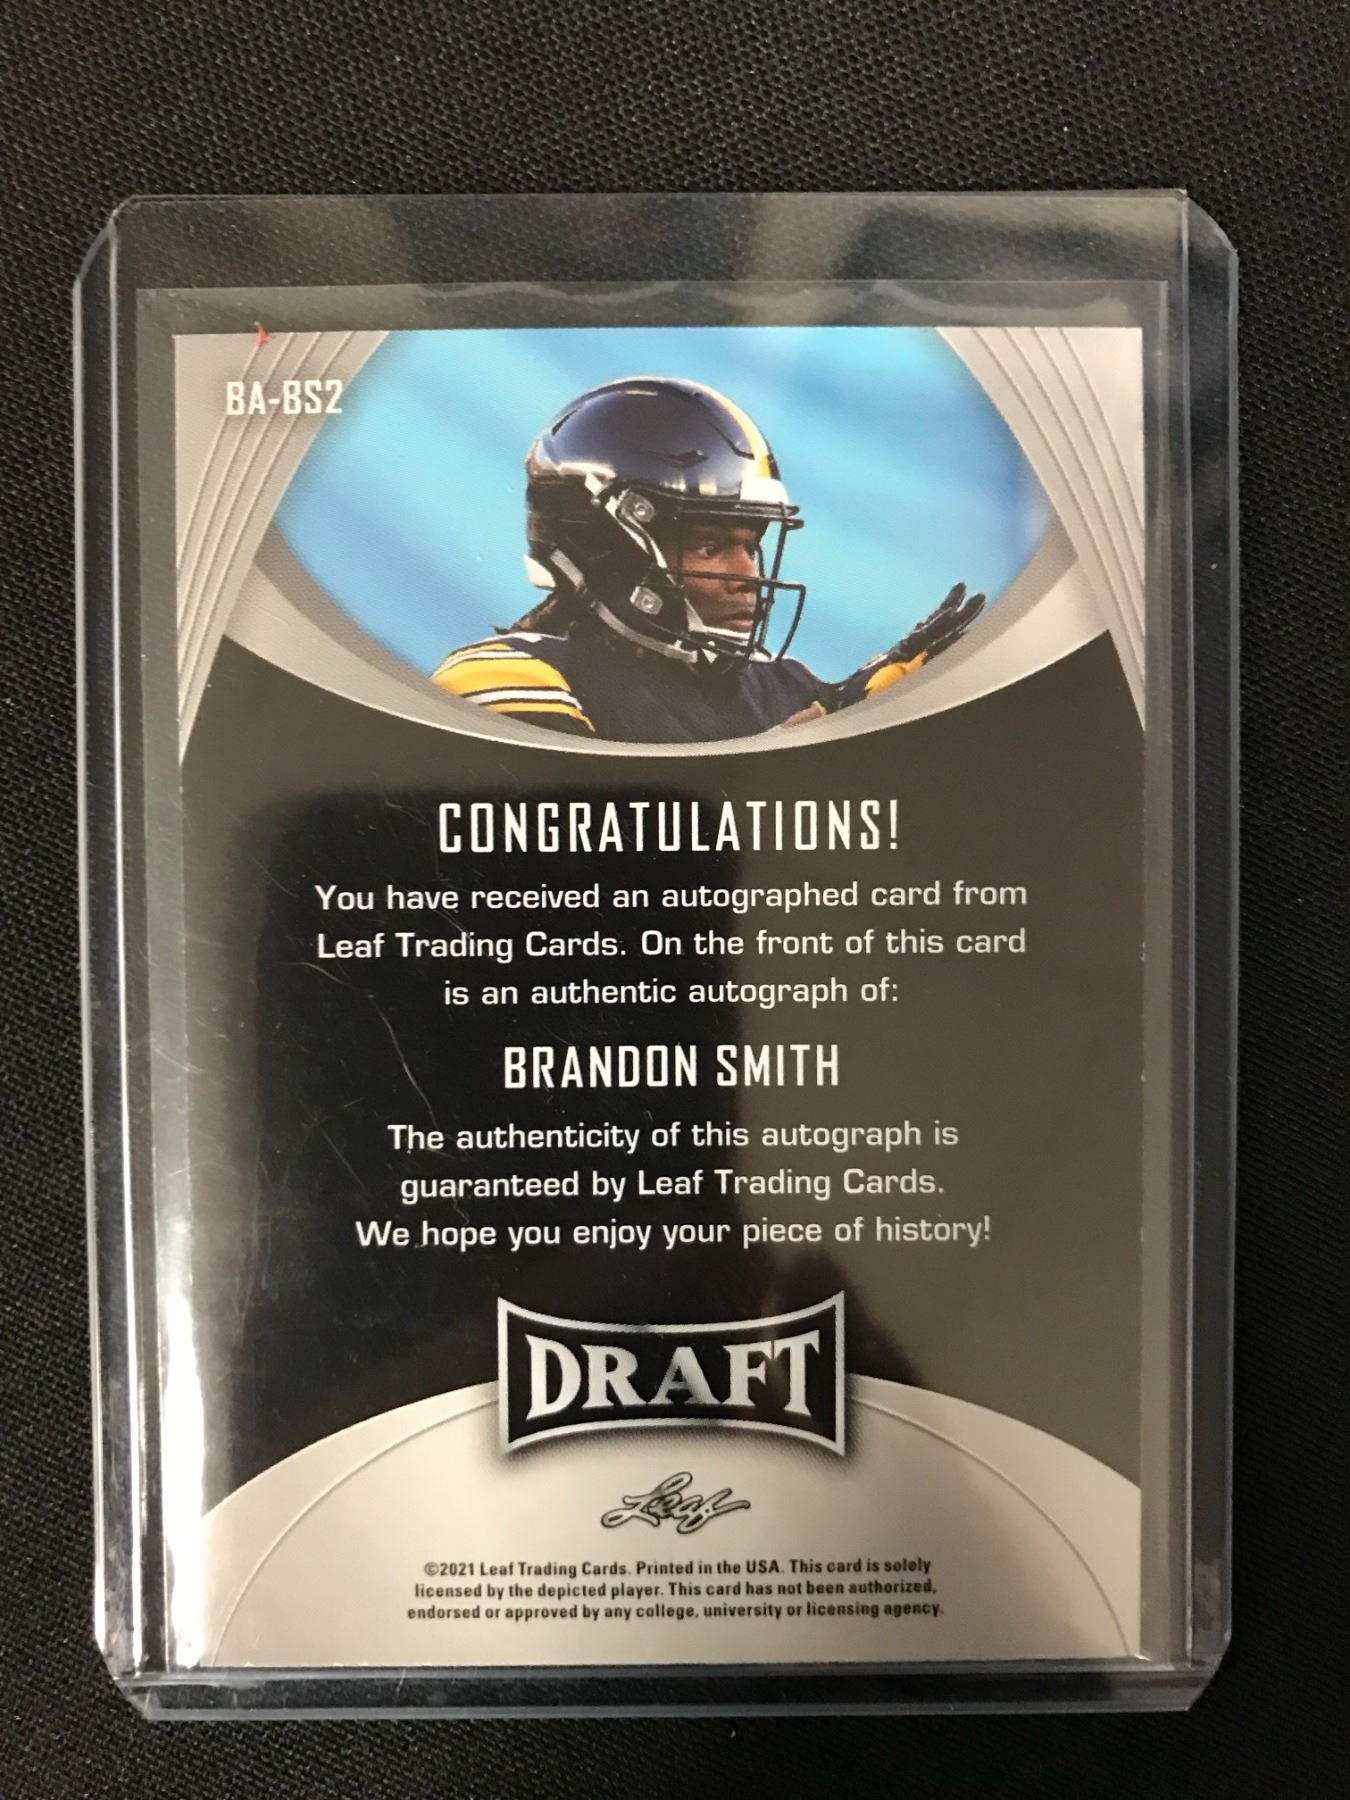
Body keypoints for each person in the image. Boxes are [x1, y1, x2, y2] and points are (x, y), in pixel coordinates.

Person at [431, 376, 984, 743]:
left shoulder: (783, 686)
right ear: (612, 549)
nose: (749, 577)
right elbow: (578, 865)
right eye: (711, 547)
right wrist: (785, 769)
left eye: (751, 546)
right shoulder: (504, 675)